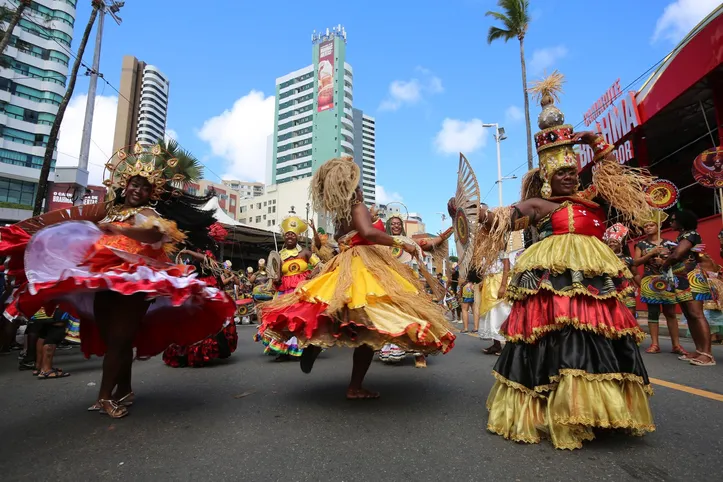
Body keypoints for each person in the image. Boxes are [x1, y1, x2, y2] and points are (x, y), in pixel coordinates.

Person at [449, 72, 655, 449]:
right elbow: (503, 218)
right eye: (561, 173)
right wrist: (472, 214)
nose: (570, 178)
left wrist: (595, 142)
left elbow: (617, 176)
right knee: (561, 339)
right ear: (546, 175)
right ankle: (554, 407)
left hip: (595, 276)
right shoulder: (539, 205)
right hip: (553, 278)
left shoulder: (593, 198)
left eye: (573, 172)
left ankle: (602, 409)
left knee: (598, 339)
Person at [0, 143, 236, 418]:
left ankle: (104, 397)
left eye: (145, 188)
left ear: (151, 193)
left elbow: (155, 234)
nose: (138, 190)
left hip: (134, 282)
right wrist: (26, 232)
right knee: (114, 339)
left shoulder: (148, 214)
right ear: (125, 185)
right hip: (101, 279)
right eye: (135, 184)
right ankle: (123, 388)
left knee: (120, 339)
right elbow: (66, 221)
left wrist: (120, 228)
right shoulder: (106, 210)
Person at [259, 157, 455, 399]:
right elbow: (368, 232)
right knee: (370, 322)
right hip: (363, 267)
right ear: (353, 188)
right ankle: (354, 385)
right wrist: (401, 241)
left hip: (344, 266)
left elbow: (351, 236)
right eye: (359, 186)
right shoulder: (358, 207)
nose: (362, 190)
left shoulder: (341, 215)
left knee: (344, 316)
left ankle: (317, 347)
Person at [379, 213, 452, 368]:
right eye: (393, 223)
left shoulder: (410, 241)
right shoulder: (383, 242)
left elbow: (428, 244)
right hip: (389, 282)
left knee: (415, 314)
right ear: (388, 226)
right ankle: (393, 347)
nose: (396, 225)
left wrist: (443, 237)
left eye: (399, 223)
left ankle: (419, 353)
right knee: (392, 315)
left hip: (409, 282)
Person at [256, 214, 320, 361]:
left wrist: (311, 276)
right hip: (284, 291)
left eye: (292, 234)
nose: (290, 236)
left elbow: (318, 265)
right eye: (287, 234)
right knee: (282, 319)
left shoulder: (304, 252)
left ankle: (302, 347)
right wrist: (276, 281)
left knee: (300, 318)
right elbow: (276, 275)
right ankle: (282, 350)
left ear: (297, 237)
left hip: (301, 290)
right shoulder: (280, 255)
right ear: (284, 237)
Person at [162, 249, 239, 368]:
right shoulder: (194, 268)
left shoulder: (210, 266)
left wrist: (188, 251)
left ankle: (198, 354)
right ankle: (186, 355)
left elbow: (206, 260)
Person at [660, 210, 714, 366]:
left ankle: (707, 354)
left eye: (674, 220)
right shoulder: (682, 237)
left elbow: (677, 255)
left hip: (691, 279)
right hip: (681, 279)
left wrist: (665, 262)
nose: (671, 222)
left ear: (683, 221)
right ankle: (699, 350)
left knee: (696, 314)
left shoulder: (690, 235)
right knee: (689, 315)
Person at [633, 213, 686, 355]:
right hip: (650, 280)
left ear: (658, 226)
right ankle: (655, 344)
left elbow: (678, 261)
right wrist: (651, 254)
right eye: (645, 226)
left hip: (667, 280)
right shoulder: (641, 244)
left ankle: (676, 345)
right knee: (653, 312)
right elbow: (635, 262)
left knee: (670, 312)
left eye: (651, 225)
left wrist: (664, 259)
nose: (648, 228)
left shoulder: (668, 243)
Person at [604, 223, 640, 317]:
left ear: (620, 245)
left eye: (614, 242)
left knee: (630, 314)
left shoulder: (628, 259)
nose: (611, 243)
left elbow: (635, 274)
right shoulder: (602, 259)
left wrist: (642, 287)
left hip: (626, 289)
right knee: (612, 315)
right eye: (610, 242)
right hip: (609, 290)